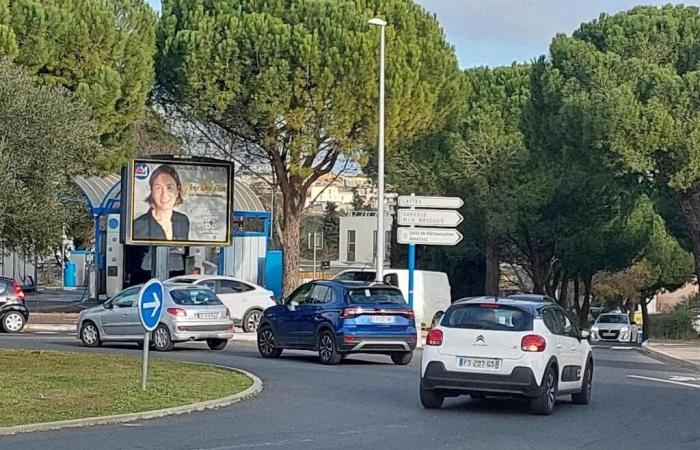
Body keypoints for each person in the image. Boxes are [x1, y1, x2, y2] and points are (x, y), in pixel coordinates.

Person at [132, 164, 190, 241]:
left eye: (169, 187)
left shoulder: (183, 220)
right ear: (151, 192)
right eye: (158, 188)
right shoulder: (138, 225)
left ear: (177, 190)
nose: (164, 195)